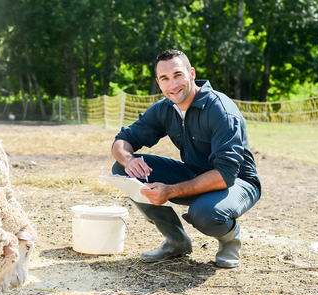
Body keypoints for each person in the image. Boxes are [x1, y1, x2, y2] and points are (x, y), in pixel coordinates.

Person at [111, 49, 261, 268]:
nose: (173, 84)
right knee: (123, 169)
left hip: (237, 181)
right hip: (195, 174)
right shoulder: (165, 108)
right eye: (165, 78)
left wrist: (170, 191)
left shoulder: (220, 109)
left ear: (191, 74)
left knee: (204, 213)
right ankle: (176, 241)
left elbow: (226, 174)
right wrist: (129, 160)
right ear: (159, 82)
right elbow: (123, 140)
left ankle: (230, 239)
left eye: (178, 75)